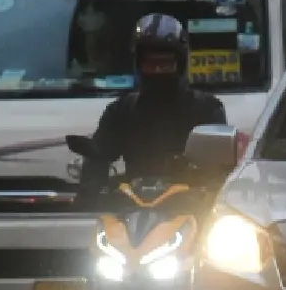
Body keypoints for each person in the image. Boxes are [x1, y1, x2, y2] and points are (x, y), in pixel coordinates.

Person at [80, 14, 228, 196]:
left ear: (180, 65)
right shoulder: (121, 110)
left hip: (193, 210)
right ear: (139, 65)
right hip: (132, 209)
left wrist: (208, 191)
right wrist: (94, 189)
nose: (157, 70)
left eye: (165, 64)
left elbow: (221, 171)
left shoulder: (207, 109)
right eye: (151, 64)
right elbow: (97, 158)